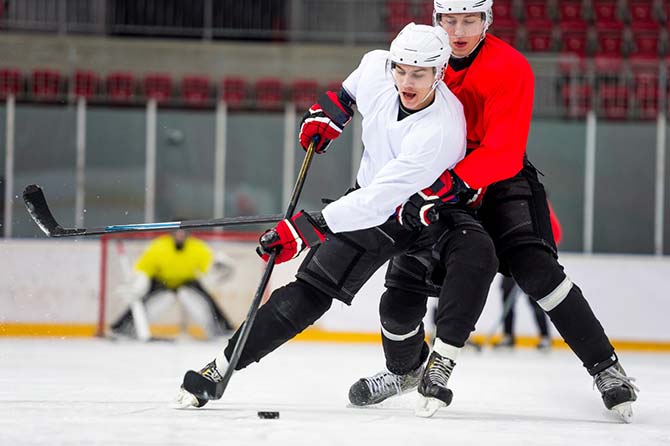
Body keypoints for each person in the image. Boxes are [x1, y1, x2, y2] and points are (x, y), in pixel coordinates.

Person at [175, 23, 498, 414]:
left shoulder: (442, 129)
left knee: (418, 292)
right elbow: (348, 93)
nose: (406, 82)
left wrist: (307, 228)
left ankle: (428, 364)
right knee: (309, 291)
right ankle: (220, 369)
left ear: (440, 72)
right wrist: (331, 114)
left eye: (419, 74)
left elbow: (381, 200)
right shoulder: (376, 67)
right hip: (371, 200)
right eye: (400, 70)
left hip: (428, 214)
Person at [348, 0, 638, 423]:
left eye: (470, 20)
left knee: (539, 273)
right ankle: (405, 370)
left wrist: (445, 185)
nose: (459, 30)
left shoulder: (510, 66)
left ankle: (607, 368)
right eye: (450, 20)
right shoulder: (418, 61)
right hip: (438, 182)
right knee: (401, 290)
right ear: (436, 21)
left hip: (495, 182)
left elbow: (504, 151)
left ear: (487, 20)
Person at [110, 229, 234, 341]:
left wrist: (218, 265)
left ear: (188, 233)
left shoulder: (197, 247)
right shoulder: (159, 245)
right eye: (177, 232)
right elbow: (144, 268)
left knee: (208, 300)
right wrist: (138, 282)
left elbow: (209, 265)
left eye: (183, 232)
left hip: (188, 281)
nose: (180, 235)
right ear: (171, 233)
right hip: (161, 281)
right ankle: (120, 328)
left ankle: (225, 329)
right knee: (141, 301)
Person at [493, 202, 562, 350]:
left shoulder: (540, 206)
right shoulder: (509, 203)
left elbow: (555, 234)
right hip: (511, 259)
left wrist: (541, 252)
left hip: (532, 260)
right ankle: (508, 336)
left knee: (535, 298)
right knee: (506, 293)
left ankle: (545, 337)